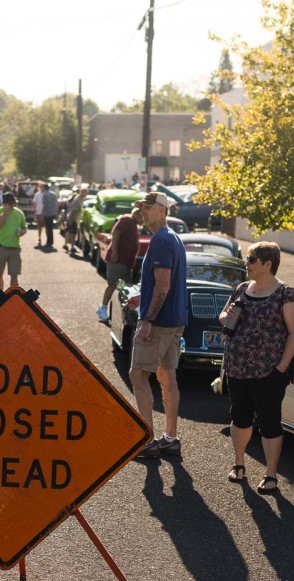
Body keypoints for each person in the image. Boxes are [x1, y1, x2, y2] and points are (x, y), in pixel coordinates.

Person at [218, 241, 294, 493]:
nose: (247, 264)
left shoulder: (287, 294)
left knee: (269, 423)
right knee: (239, 418)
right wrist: (228, 315)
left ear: (268, 263)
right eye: (247, 259)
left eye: (251, 259)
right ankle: (239, 464)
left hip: (269, 371)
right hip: (237, 367)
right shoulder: (242, 288)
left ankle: (270, 474)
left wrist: (280, 368)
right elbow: (223, 316)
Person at [130, 192, 188, 459]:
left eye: (148, 207)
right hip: (175, 321)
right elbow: (165, 284)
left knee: (138, 375)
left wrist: (148, 320)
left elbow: (163, 285)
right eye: (141, 207)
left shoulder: (161, 240)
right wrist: (143, 296)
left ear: (162, 210)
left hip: (160, 322)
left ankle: (148, 441)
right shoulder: (173, 238)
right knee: (167, 376)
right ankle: (171, 439)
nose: (143, 211)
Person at [97, 208, 142, 321]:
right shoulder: (127, 219)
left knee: (123, 287)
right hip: (118, 260)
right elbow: (116, 233)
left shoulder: (133, 224)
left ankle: (118, 313)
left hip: (126, 262)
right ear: (137, 214)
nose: (144, 220)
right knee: (113, 284)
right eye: (142, 217)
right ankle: (103, 308)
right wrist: (115, 252)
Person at [0, 192, 27, 291]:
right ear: (3, 204)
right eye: (6, 204)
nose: (9, 206)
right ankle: (0, 295)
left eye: (10, 204)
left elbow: (24, 227)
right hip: (1, 247)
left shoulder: (19, 213)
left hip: (15, 248)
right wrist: (5, 214)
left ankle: (14, 297)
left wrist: (22, 232)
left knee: (14, 275)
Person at [39, 183, 58, 250]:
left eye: (42, 188)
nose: (41, 189)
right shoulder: (53, 194)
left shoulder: (45, 195)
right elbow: (56, 204)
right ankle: (50, 242)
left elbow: (45, 205)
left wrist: (42, 214)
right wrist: (56, 213)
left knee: (48, 229)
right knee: (50, 228)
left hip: (47, 214)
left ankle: (49, 242)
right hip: (52, 213)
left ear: (44, 188)